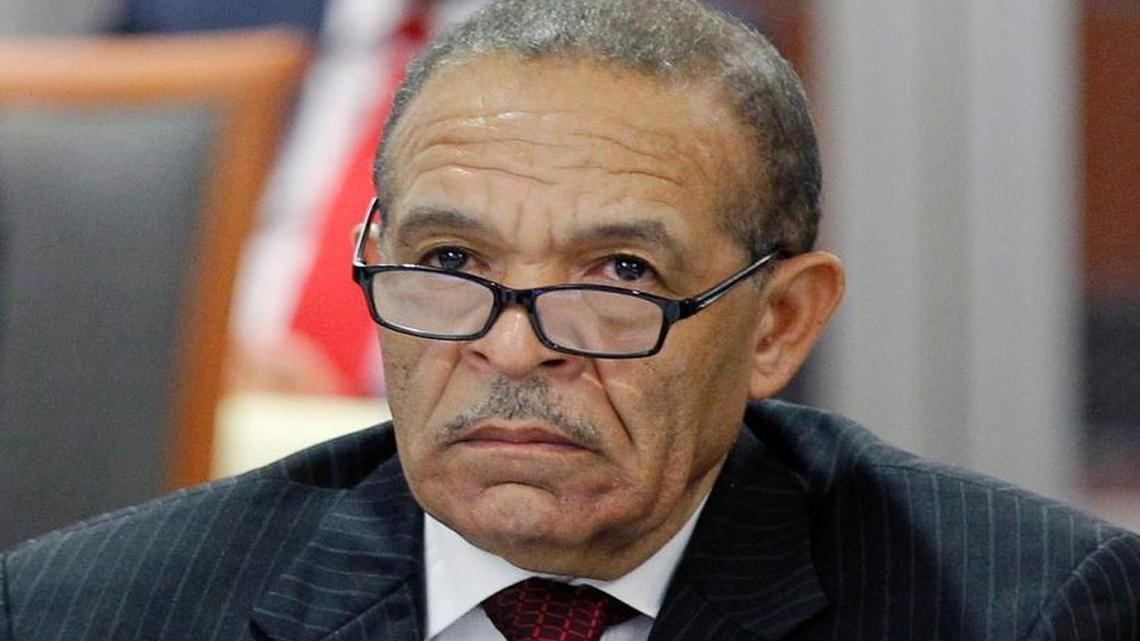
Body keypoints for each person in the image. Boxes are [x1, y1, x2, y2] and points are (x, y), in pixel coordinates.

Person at [2, 1, 1138, 640]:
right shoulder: (90, 614)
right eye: (449, 261)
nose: (509, 343)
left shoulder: (1022, 611)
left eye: (619, 273)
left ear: (780, 324)